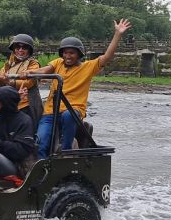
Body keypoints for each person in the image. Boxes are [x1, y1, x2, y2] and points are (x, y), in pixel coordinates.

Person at [23, 19, 132, 158]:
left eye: (71, 53)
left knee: (68, 116)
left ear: (79, 54)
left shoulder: (87, 67)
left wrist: (117, 34)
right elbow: (45, 70)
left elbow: (107, 56)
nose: (67, 56)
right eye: (65, 53)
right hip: (51, 111)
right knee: (41, 142)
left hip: (73, 109)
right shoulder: (58, 63)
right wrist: (30, 73)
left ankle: (66, 152)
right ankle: (42, 169)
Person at [0, 33, 43, 126]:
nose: (20, 50)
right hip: (8, 104)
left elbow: (29, 82)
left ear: (29, 50)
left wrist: (9, 81)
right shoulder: (8, 65)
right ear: (13, 49)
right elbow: (0, 78)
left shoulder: (33, 63)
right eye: (17, 47)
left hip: (25, 105)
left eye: (24, 48)